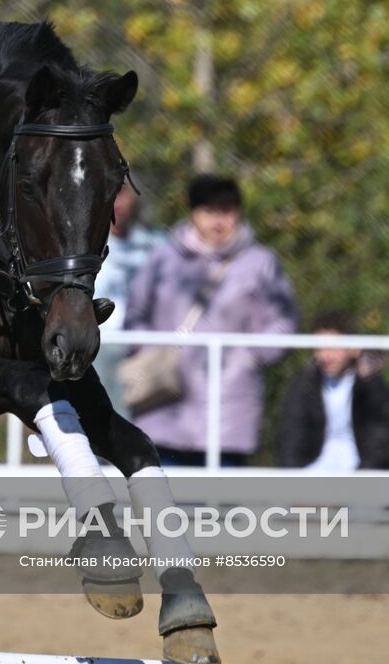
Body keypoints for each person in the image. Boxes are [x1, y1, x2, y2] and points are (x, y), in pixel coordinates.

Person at [122, 174, 298, 467]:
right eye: (209, 211)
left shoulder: (261, 263)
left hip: (229, 408)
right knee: (162, 494)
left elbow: (283, 321)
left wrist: (249, 357)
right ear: (193, 213)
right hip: (165, 403)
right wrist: (154, 352)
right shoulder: (162, 259)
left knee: (222, 496)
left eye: (226, 211)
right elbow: (135, 315)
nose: (218, 222)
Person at [276, 311, 389, 471]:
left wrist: (365, 474)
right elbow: (292, 435)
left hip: (359, 474)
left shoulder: (369, 385)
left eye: (333, 348)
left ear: (353, 348)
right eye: (319, 348)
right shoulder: (305, 384)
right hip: (312, 472)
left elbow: (378, 437)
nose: (325, 355)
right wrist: (293, 474)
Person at [92, 181, 165, 412]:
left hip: (143, 346)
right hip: (97, 344)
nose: (117, 202)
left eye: (122, 193)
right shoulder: (82, 246)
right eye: (110, 193)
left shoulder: (157, 244)